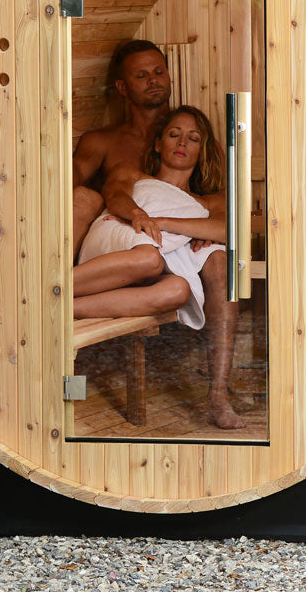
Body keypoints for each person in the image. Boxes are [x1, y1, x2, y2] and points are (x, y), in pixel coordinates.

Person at [73, 106, 246, 430]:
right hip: (119, 237)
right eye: (174, 134)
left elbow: (233, 228)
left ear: (202, 149)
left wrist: (165, 223)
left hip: (158, 253)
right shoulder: (134, 173)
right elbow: (115, 194)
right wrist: (139, 215)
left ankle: (66, 306)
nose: (182, 142)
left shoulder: (208, 201)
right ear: (158, 144)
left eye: (193, 138)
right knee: (149, 259)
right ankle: (44, 288)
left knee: (179, 289)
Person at [72, 39, 173, 257]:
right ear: (122, 88)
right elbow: (72, 178)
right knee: (83, 197)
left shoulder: (191, 137)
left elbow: (222, 194)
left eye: (158, 72)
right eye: (141, 75)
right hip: (119, 232)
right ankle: (53, 281)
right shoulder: (102, 141)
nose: (153, 80)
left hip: (174, 232)